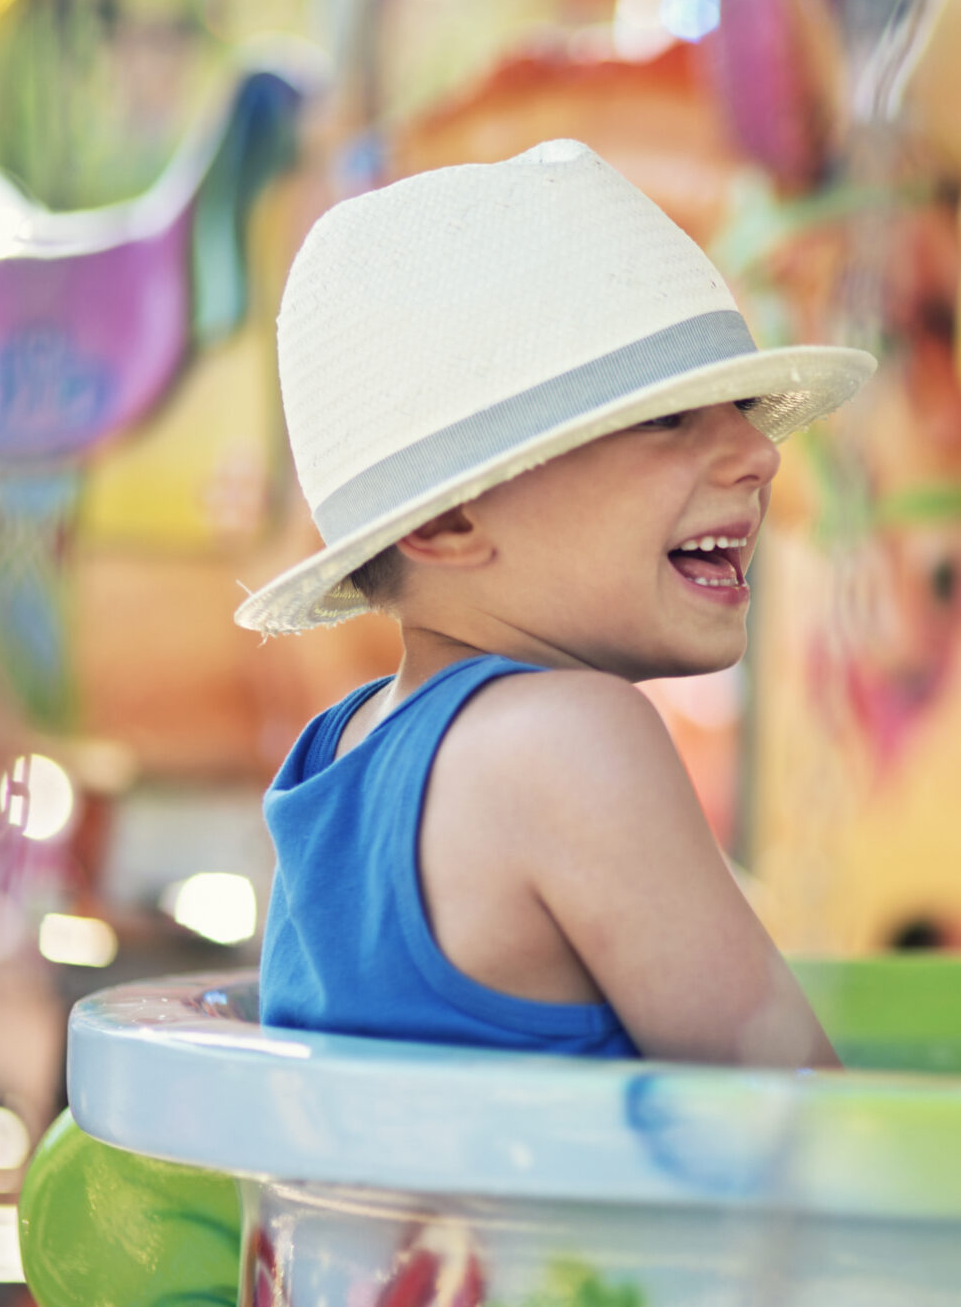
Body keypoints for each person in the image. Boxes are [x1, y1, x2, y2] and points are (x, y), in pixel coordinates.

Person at [240, 141, 870, 1067]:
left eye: (741, 406)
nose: (760, 453)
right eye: (667, 417)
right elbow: (797, 1131)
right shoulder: (572, 742)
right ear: (451, 519)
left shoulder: (340, 754)